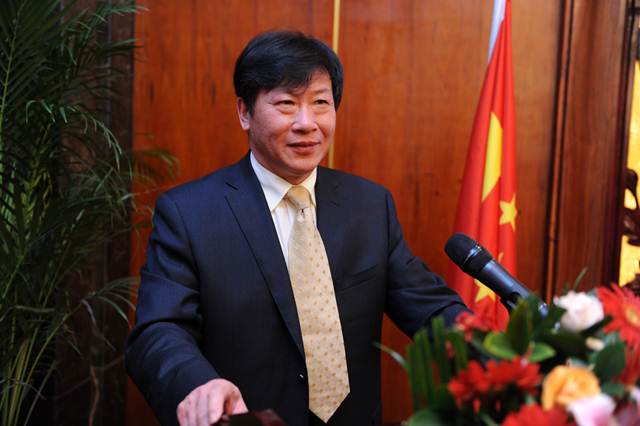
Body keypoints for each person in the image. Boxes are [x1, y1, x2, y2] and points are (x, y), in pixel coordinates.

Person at [125, 30, 468, 426]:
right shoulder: (189, 214)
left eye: (320, 103)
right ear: (244, 112)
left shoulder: (370, 205)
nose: (307, 123)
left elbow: (428, 307)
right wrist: (198, 385)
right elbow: (159, 330)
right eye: (286, 104)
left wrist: (500, 350)